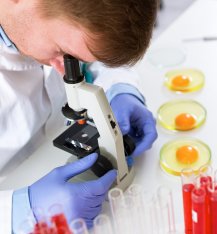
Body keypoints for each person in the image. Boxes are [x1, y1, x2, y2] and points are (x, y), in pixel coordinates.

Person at [0, 0, 158, 232]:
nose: (65, 70)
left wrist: (121, 88)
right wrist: (20, 211)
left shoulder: (44, 23)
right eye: (63, 53)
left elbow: (93, 46)